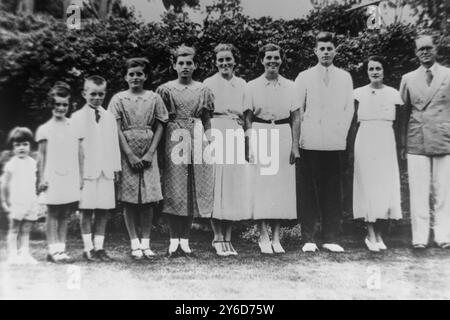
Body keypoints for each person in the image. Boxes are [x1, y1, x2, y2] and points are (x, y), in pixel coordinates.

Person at [294, 31, 354, 253]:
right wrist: (299, 139)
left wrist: (341, 133)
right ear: (315, 51)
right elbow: (298, 110)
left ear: (335, 50)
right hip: (309, 141)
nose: (326, 52)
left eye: (330, 48)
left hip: (335, 142)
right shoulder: (304, 76)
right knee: (309, 190)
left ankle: (331, 237)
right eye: (322, 49)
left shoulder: (345, 77)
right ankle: (308, 237)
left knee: (332, 190)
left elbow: (349, 109)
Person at [156, 45, 214, 257]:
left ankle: (185, 239)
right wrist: (160, 149)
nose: (185, 67)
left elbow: (207, 120)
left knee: (191, 188)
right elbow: (160, 121)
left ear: (195, 65)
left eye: (189, 63)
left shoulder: (202, 90)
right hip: (174, 138)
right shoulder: (166, 90)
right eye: (181, 63)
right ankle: (173, 239)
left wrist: (210, 143)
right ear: (174, 65)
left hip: (197, 136)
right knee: (175, 187)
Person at [109, 58, 168, 260]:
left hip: (148, 149)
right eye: (131, 74)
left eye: (139, 74)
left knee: (148, 201)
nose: (135, 77)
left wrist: (151, 152)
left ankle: (146, 243)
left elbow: (161, 124)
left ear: (146, 76)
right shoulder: (118, 99)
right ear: (126, 76)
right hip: (127, 150)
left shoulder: (153, 98)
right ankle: (134, 243)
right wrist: (130, 155)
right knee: (130, 200)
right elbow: (115, 129)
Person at [244, 43, 300, 255]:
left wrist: (295, 145)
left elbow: (296, 116)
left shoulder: (291, 86)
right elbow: (247, 119)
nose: (272, 61)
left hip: (283, 134)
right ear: (261, 60)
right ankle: (262, 235)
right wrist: (250, 144)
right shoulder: (251, 86)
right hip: (260, 132)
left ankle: (277, 237)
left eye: (276, 57)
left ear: (281, 60)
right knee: (261, 187)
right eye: (268, 58)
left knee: (280, 188)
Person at [399, 35, 450, 249]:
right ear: (415, 53)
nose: (425, 52)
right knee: (418, 190)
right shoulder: (408, 78)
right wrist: (402, 143)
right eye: (421, 49)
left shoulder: (448, 74)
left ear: (436, 50)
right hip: (416, 138)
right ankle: (419, 238)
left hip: (444, 138)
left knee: (444, 191)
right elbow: (403, 113)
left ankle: (444, 236)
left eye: (429, 48)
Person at [350, 56, 403, 252]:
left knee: (385, 187)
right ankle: (370, 233)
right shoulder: (358, 94)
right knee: (368, 186)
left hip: (386, 142)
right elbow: (352, 122)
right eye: (371, 69)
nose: (375, 72)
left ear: (384, 71)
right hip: (365, 140)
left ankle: (379, 233)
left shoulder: (394, 94)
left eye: (378, 68)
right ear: (367, 72)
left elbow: (399, 124)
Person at [203, 44, 251, 256]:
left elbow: (247, 116)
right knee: (215, 183)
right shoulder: (208, 83)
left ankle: (228, 236)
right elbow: (204, 114)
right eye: (220, 60)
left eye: (228, 59)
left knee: (231, 186)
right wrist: (208, 136)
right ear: (216, 62)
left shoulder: (242, 84)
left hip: (235, 132)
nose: (224, 63)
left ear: (235, 62)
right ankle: (217, 237)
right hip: (215, 131)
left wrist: (248, 140)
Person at [71, 76, 121, 262]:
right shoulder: (76, 118)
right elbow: (74, 148)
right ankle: (88, 248)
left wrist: (116, 169)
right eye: (93, 94)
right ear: (84, 93)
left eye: (101, 94)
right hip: (87, 172)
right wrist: (77, 174)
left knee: (103, 211)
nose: (97, 97)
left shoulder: (108, 117)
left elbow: (114, 144)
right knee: (86, 210)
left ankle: (100, 248)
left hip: (106, 172)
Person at [36, 82, 83, 262]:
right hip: (51, 176)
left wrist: (80, 177)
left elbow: (80, 154)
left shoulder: (74, 126)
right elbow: (41, 157)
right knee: (53, 213)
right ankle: (52, 249)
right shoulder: (44, 129)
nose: (61, 108)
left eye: (64, 104)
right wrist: (41, 179)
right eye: (57, 104)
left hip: (69, 175)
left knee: (65, 214)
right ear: (51, 105)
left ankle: (61, 249)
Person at [1, 127, 39, 264]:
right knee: (14, 228)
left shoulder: (34, 163)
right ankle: (12, 255)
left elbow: (36, 181)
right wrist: (4, 201)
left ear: (30, 145)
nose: (21, 148)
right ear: (12, 147)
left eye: (25, 144)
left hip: (30, 200)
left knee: (26, 228)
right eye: (17, 145)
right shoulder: (11, 164)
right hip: (16, 201)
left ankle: (24, 253)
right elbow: (4, 184)